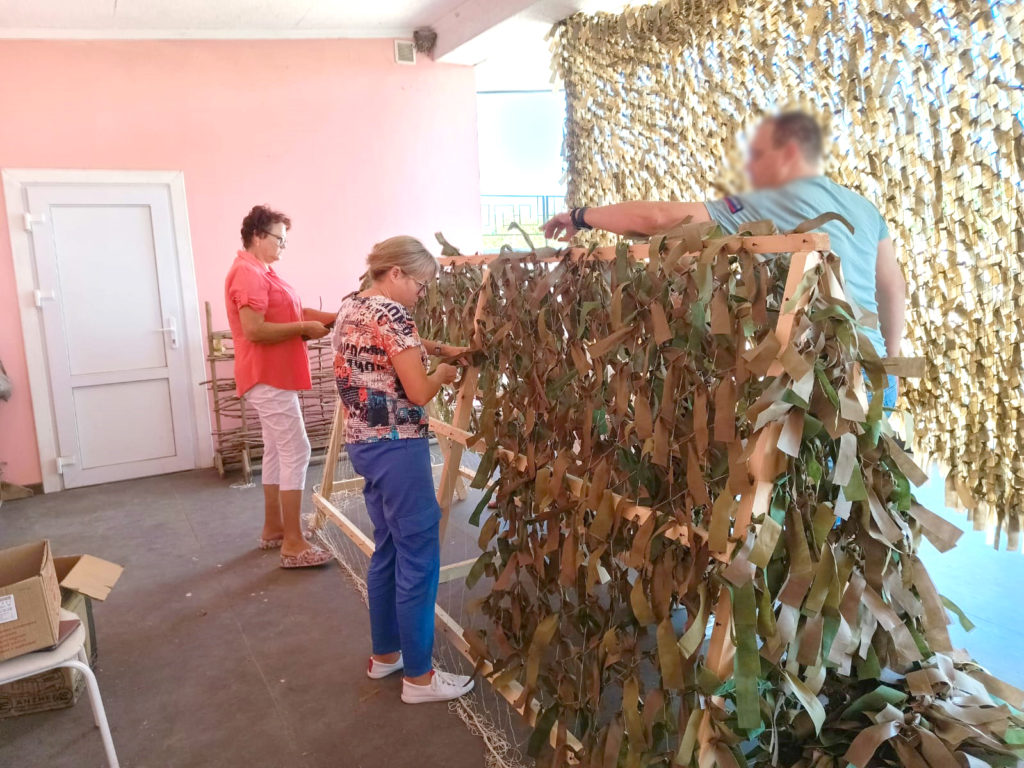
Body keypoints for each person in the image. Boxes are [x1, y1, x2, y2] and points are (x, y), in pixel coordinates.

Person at [544, 111, 907, 409]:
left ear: (791, 152)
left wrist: (581, 216)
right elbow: (892, 287)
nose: (750, 168)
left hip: (822, 383)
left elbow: (657, 219)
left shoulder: (771, 200)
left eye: (759, 155)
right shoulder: (864, 209)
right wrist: (891, 363)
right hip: (876, 377)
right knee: (861, 476)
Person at [333, 236, 475, 704]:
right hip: (397, 446)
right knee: (419, 552)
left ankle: (385, 654)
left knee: (389, 548)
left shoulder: (352, 306)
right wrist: (442, 375)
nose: (421, 292)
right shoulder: (394, 314)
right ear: (395, 273)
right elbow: (417, 391)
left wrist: (437, 347)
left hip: (364, 444)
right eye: (419, 283)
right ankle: (419, 678)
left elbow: (388, 349)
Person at [224, 205, 337, 568]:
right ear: (258, 236)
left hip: (272, 374)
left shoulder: (262, 271)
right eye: (279, 239)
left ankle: (275, 528)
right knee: (297, 450)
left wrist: (340, 317)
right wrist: (303, 330)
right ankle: (293, 543)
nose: (284, 246)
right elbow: (254, 329)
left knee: (276, 450)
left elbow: (295, 311)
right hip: (266, 374)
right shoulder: (248, 273)